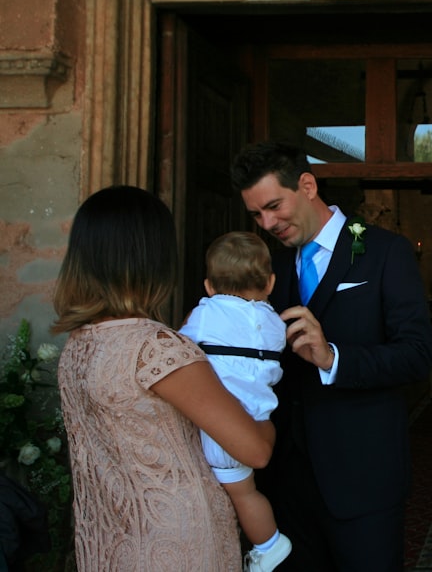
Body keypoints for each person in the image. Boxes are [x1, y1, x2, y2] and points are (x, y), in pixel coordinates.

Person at [230, 142, 432, 571]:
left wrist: (333, 358)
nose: (267, 223)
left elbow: (417, 355)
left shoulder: (384, 251)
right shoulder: (270, 267)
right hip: (283, 485)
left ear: (306, 185)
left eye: (273, 206)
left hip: (364, 481)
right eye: (256, 215)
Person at [51, 185, 276, 572]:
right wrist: (264, 407)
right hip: (178, 543)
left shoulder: (78, 346)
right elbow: (255, 450)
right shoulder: (156, 349)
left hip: (110, 538)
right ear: (155, 259)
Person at [179, 231, 292, 572]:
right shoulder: (276, 323)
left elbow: (176, 352)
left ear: (209, 286)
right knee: (245, 491)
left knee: (243, 495)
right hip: (257, 416)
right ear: (270, 283)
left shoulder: (206, 314)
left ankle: (269, 544)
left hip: (221, 427)